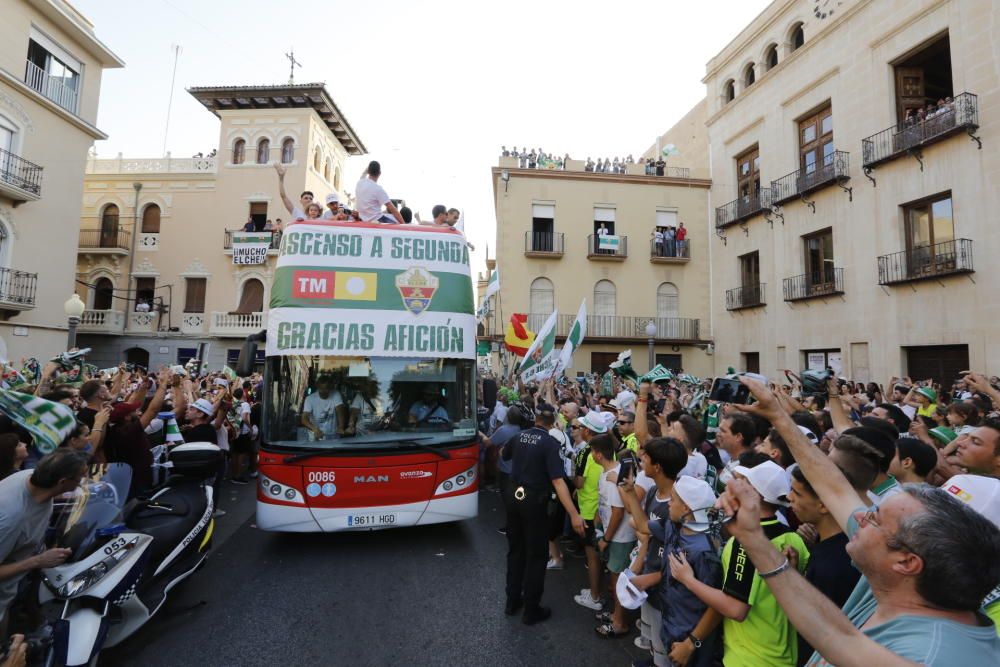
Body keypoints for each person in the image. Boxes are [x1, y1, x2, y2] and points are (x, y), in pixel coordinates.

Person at [731, 376, 1000, 666]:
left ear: (908, 561)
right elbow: (833, 485)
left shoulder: (933, 655)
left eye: (877, 518)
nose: (863, 514)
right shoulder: (909, 586)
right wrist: (778, 416)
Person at [671, 458, 810, 666]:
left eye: (744, 483)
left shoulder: (745, 542)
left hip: (748, 657)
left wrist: (688, 580)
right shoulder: (795, 539)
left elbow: (735, 608)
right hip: (783, 654)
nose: (736, 487)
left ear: (756, 495)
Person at [501, 402, 585, 625]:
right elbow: (558, 481)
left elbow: (503, 453)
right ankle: (531, 609)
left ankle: (512, 600)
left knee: (516, 550)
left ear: (535, 418)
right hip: (534, 501)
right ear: (553, 421)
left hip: (513, 496)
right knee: (537, 556)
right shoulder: (550, 443)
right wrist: (574, 514)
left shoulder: (519, 436)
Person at [0, 450, 88, 629]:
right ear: (63, 482)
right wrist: (38, 561)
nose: (83, 481)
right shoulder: (12, 519)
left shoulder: (29, 476)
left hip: (22, 579)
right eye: (80, 478)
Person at [787, 465, 860, 664]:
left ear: (823, 505)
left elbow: (821, 629)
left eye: (797, 493)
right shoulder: (836, 545)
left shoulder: (835, 565)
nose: (789, 497)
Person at [591, 435, 637, 638]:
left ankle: (620, 623)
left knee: (619, 581)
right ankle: (616, 615)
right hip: (614, 535)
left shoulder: (614, 477)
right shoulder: (608, 473)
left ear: (598, 454)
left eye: (593, 451)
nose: (592, 455)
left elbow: (618, 513)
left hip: (620, 538)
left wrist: (605, 539)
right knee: (614, 578)